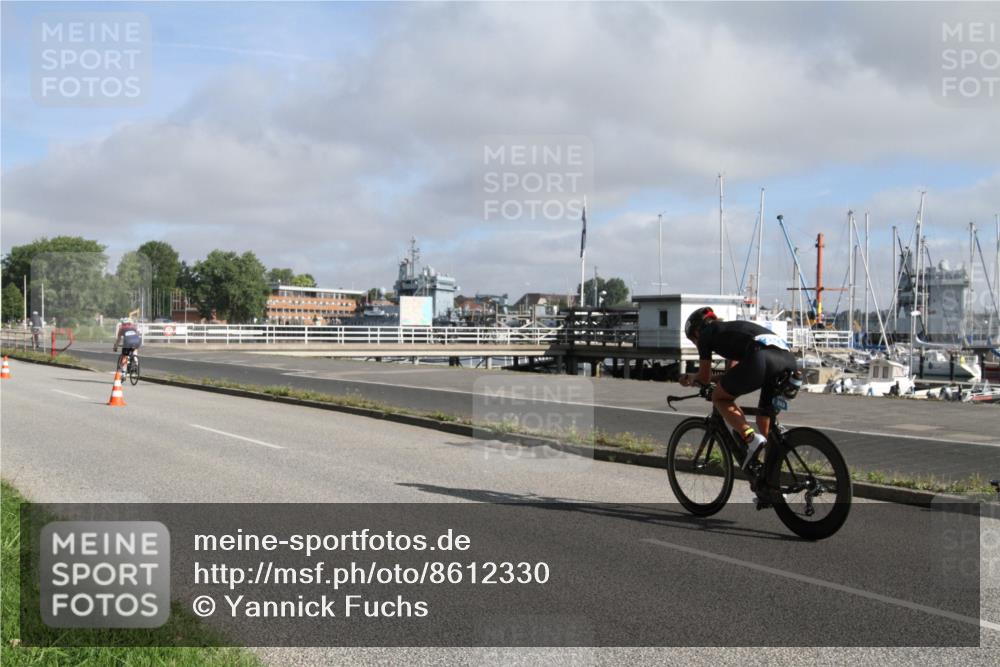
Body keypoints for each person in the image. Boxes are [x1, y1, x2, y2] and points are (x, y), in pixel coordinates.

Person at [678, 307, 797, 469]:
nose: (695, 343)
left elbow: (704, 378)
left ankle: (750, 438)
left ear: (696, 332)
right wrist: (713, 379)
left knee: (719, 397)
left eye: (693, 340)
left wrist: (691, 378)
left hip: (761, 358)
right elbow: (731, 374)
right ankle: (771, 480)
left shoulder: (706, 334)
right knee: (764, 421)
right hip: (788, 360)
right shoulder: (730, 331)